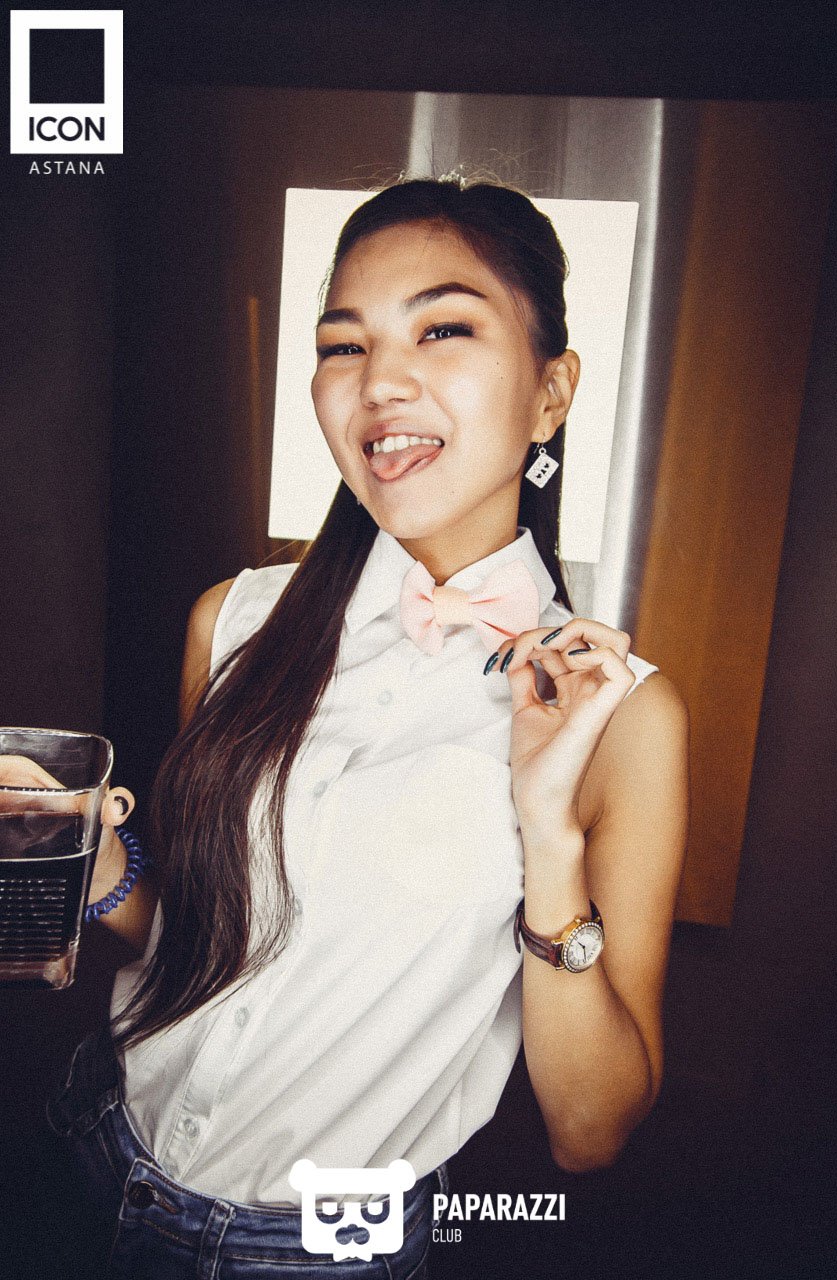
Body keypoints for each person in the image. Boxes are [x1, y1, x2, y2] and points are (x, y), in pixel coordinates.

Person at [44, 176, 689, 1278]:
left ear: (551, 393)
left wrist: (546, 828)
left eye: (443, 329)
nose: (380, 380)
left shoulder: (621, 715)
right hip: (93, 1148)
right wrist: (95, 866)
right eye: (344, 346)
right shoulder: (233, 619)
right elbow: (196, 945)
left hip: (315, 1250)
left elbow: (591, 1130)